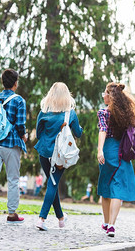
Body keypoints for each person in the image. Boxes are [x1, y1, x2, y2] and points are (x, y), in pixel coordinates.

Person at [34, 82, 83, 231]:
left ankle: (61, 218)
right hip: (60, 155)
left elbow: (38, 134)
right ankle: (41, 219)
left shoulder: (43, 112)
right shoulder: (70, 114)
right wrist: (79, 127)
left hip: (44, 152)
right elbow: (78, 133)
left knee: (51, 183)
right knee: (53, 184)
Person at [97, 82, 135, 237]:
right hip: (123, 152)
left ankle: (105, 222)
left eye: (105, 93)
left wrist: (100, 150)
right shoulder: (127, 115)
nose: (103, 95)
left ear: (111, 97)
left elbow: (102, 131)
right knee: (118, 188)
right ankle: (111, 225)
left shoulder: (104, 113)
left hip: (108, 149)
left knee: (106, 187)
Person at [0, 69, 27, 225]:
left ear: (3, 82)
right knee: (13, 179)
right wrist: (24, 136)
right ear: (15, 83)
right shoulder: (19, 100)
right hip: (10, 144)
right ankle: (12, 213)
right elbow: (20, 124)